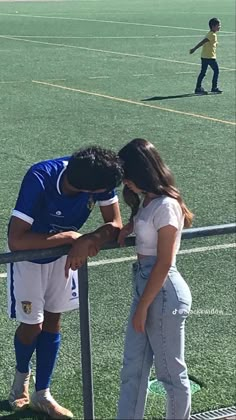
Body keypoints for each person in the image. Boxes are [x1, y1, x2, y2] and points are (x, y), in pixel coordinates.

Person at [7, 146, 123, 419]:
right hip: (29, 257)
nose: (105, 194)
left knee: (53, 319)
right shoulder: (41, 176)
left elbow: (115, 223)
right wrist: (71, 237)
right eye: (100, 193)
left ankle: (42, 393)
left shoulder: (96, 176)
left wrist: (91, 239)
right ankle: (19, 382)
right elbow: (16, 240)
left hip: (65, 256)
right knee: (32, 325)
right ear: (88, 190)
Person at [116, 138, 193, 420]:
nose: (125, 182)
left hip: (161, 291)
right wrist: (128, 227)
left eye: (128, 175)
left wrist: (143, 306)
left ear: (143, 171)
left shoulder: (167, 205)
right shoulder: (148, 200)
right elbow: (146, 227)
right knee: (133, 368)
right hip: (146, 286)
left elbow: (164, 261)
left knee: (171, 373)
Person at [190, 17, 222, 94]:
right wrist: (194, 48)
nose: (219, 27)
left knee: (203, 72)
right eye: (218, 25)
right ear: (213, 26)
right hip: (210, 57)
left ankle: (198, 88)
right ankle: (214, 87)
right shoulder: (212, 35)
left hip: (204, 56)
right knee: (216, 71)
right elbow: (203, 42)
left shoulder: (210, 34)